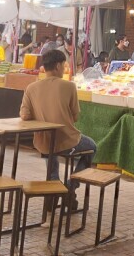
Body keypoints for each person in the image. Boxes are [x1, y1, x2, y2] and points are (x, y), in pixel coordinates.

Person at [20, 49, 96, 208]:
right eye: (63, 65)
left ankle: (54, 193)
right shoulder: (69, 86)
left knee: (50, 154)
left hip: (43, 142)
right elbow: (75, 117)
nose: (65, 68)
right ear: (56, 66)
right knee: (92, 147)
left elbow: (25, 115)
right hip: (68, 140)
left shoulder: (31, 88)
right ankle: (70, 186)